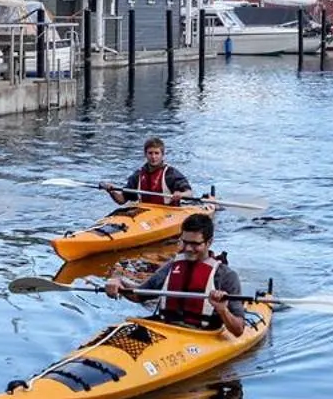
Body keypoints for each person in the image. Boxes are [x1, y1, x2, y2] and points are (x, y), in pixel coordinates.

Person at [105, 212, 248, 336]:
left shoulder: (226, 276)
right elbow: (139, 295)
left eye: (195, 244)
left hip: (203, 335)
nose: (188, 248)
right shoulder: (172, 266)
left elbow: (238, 330)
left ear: (209, 242)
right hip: (165, 330)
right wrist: (118, 282)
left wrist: (222, 310)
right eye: (184, 242)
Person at [108, 137, 192, 206]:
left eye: (156, 153)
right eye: (150, 153)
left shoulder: (170, 174)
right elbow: (122, 200)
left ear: (162, 155)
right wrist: (111, 191)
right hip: (145, 213)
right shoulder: (138, 175)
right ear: (145, 154)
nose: (153, 157)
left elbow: (189, 193)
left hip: (168, 212)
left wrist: (181, 194)